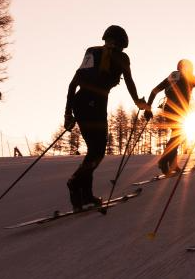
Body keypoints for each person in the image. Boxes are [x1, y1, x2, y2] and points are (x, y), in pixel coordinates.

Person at [64, 25, 150, 209]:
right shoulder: (122, 57)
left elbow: (73, 84)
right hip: (95, 106)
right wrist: (139, 103)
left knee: (94, 150)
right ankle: (75, 182)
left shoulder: (91, 52)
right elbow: (129, 82)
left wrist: (68, 113)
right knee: (97, 152)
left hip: (80, 103)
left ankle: (85, 195)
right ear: (123, 43)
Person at [145, 59, 195, 175]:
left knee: (177, 134)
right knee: (178, 135)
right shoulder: (192, 78)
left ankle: (172, 164)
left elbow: (154, 91)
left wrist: (148, 107)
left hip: (172, 108)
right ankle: (164, 161)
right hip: (177, 109)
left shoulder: (175, 76)